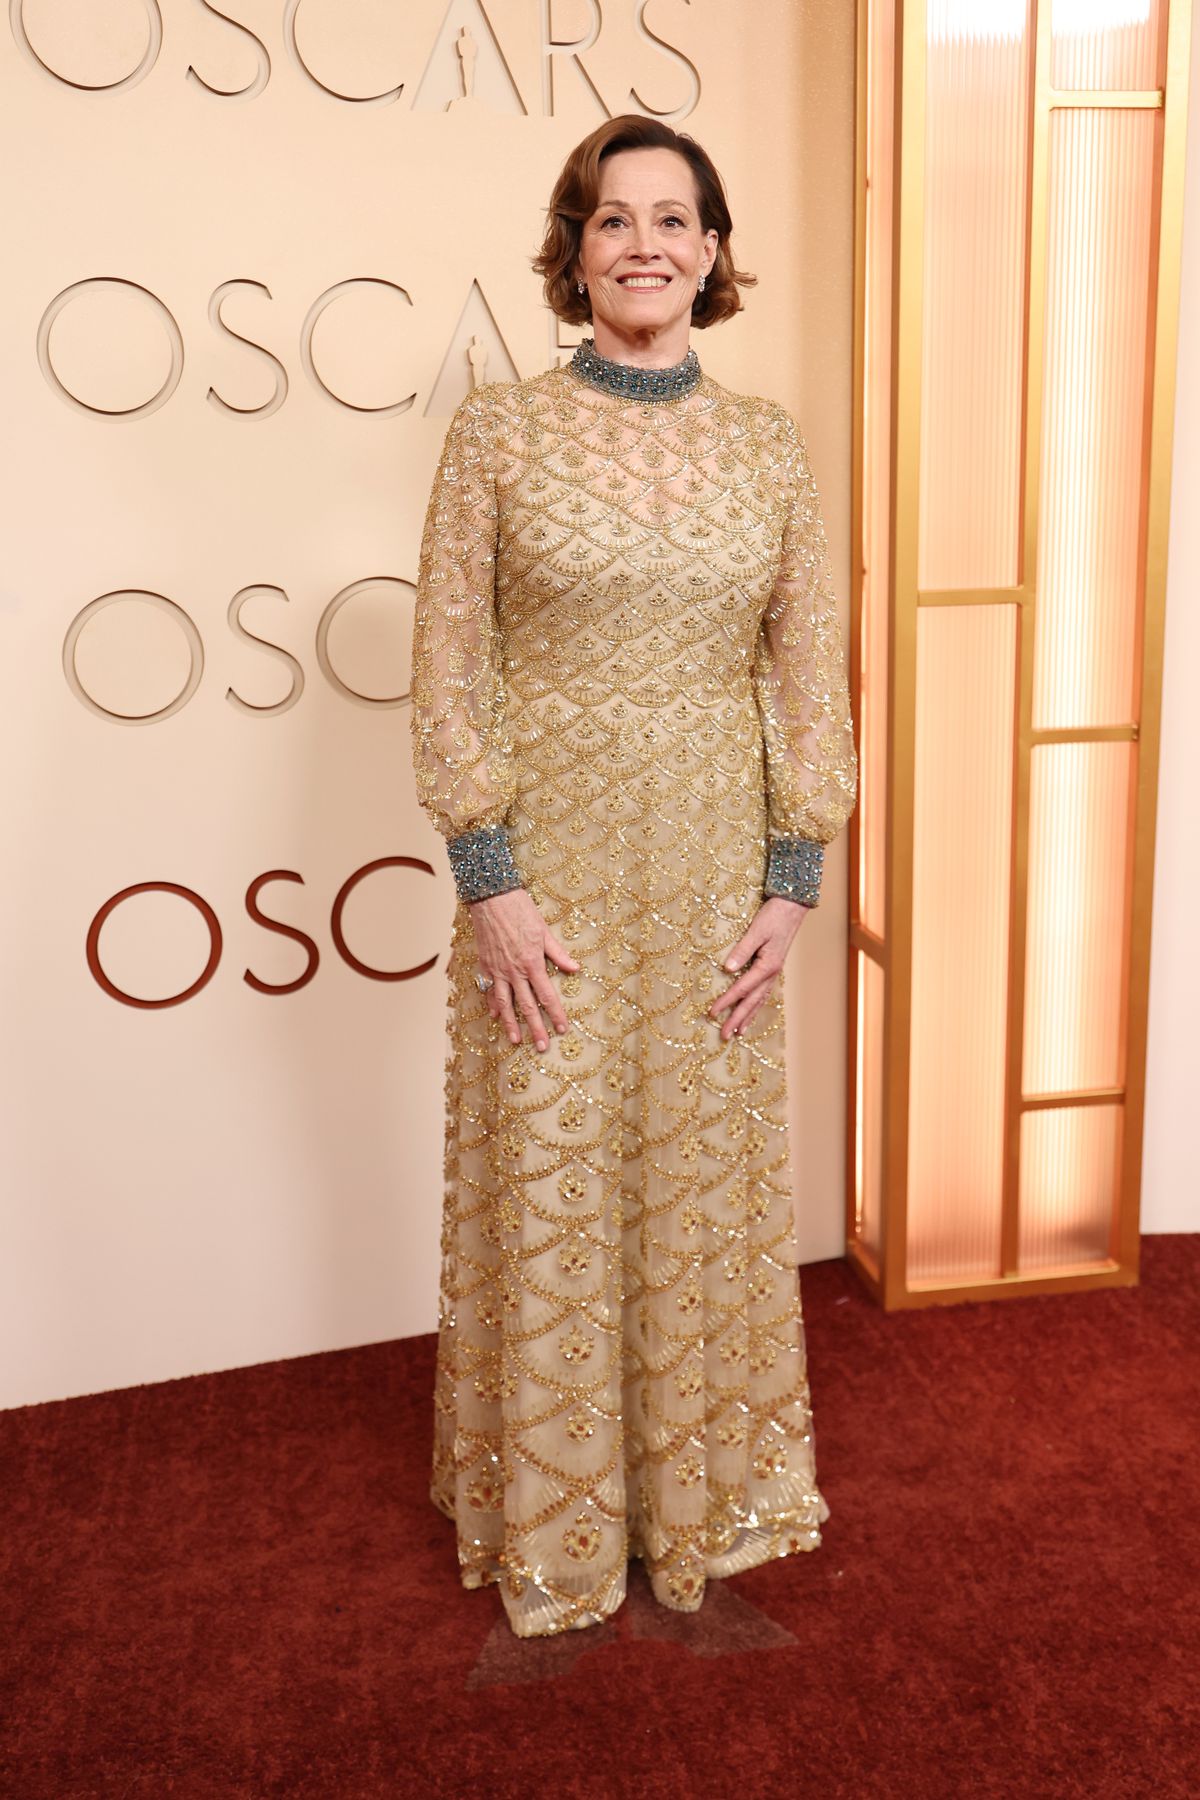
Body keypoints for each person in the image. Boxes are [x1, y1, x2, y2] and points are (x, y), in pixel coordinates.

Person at [408, 113, 858, 1640]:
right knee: (552, 1181)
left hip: (721, 882)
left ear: (717, 250)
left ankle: (702, 1499)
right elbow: (448, 667)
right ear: (575, 245)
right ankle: (551, 1523)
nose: (647, 244)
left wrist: (793, 881)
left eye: (677, 219)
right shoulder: (500, 432)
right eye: (616, 221)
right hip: (551, 889)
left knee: (701, 1187)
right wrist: (492, 880)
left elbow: (809, 675)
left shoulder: (768, 444)